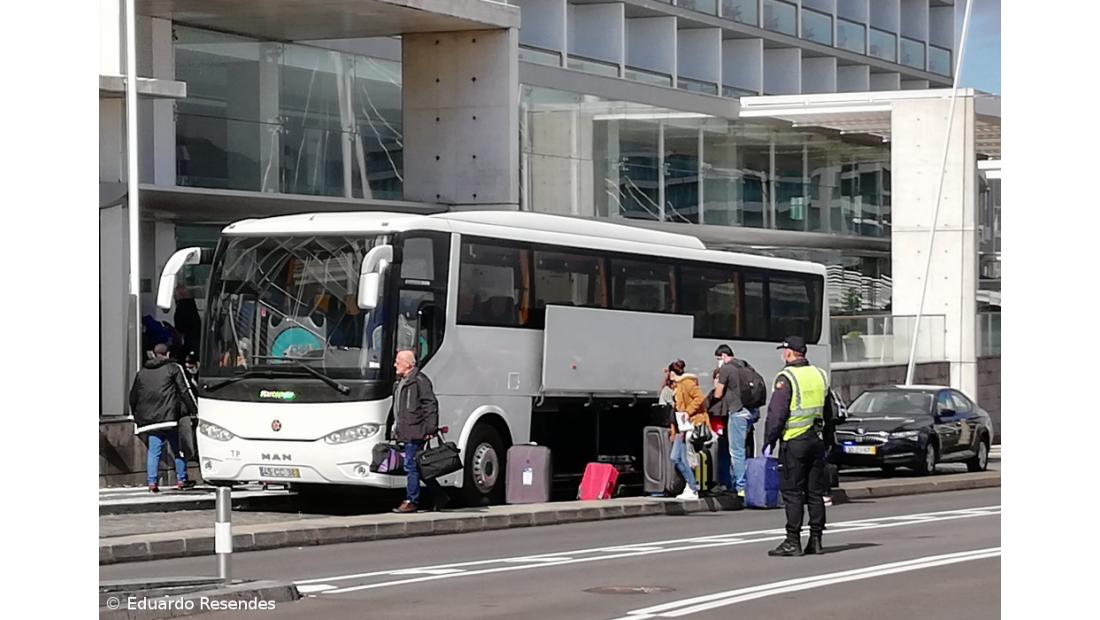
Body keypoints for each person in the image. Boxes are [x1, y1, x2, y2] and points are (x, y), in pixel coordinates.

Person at [762, 336, 835, 557]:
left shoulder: (786, 377)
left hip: (794, 442)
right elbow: (829, 411)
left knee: (793, 493)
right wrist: (829, 441)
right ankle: (816, 540)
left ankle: (793, 541)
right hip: (816, 441)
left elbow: (777, 414)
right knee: (815, 492)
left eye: (783, 351)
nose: (782, 355)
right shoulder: (819, 374)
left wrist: (769, 440)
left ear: (789, 353)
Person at [129, 343, 198, 492]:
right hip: (170, 418)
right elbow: (185, 390)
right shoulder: (174, 368)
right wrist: (195, 410)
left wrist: (137, 416)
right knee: (178, 449)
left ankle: (152, 483)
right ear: (167, 354)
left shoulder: (142, 372)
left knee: (154, 451)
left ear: (153, 354)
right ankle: (181, 479)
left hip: (151, 421)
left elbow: (133, 396)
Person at [391, 349, 447, 513]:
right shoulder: (402, 381)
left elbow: (430, 405)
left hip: (415, 430)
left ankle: (411, 500)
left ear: (408, 364)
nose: (395, 364)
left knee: (411, 466)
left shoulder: (419, 381)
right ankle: (440, 495)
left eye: (398, 361)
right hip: (406, 430)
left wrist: (430, 428)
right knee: (418, 466)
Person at [713, 344, 758, 498]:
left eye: (719, 359)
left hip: (737, 413)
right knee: (744, 449)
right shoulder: (744, 365)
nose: (719, 362)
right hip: (751, 411)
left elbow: (718, 394)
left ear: (724, 356)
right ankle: (744, 482)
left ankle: (740, 487)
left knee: (736, 451)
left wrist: (718, 384)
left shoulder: (726, 368)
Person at [668, 360, 709, 501]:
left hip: (690, 425)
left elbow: (700, 398)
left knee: (684, 457)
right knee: (675, 458)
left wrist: (687, 412)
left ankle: (692, 487)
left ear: (673, 373)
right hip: (682, 427)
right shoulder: (679, 385)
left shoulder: (687, 383)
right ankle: (690, 485)